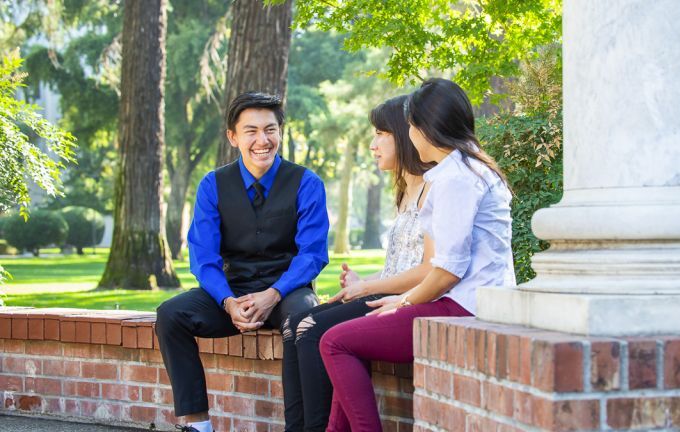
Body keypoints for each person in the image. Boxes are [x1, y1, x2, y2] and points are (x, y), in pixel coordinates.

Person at [319, 78, 514, 431]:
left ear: (426, 128)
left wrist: (404, 301)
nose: (409, 134)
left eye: (410, 125)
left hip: (463, 306)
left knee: (335, 341)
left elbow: (449, 270)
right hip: (468, 300)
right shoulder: (468, 167)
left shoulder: (456, 177)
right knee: (347, 338)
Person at [155, 92, 330, 432]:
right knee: (171, 315)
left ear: (281, 132)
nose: (262, 140)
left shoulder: (306, 183)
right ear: (233, 137)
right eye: (251, 131)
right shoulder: (213, 185)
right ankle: (197, 424)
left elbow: (312, 254)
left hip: (287, 291)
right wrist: (228, 301)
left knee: (305, 319)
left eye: (271, 130)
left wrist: (274, 293)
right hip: (233, 291)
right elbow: (203, 256)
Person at [281, 95, 435, 432]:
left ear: (405, 134)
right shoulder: (404, 192)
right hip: (385, 293)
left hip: (410, 301)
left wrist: (368, 287)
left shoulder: (432, 190)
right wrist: (362, 281)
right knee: (292, 324)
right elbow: (399, 265)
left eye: (381, 133)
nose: (372, 144)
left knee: (310, 330)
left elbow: (427, 269)